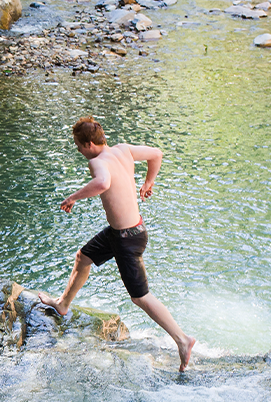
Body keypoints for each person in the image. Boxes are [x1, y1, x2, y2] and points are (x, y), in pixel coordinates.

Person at [38, 115, 196, 371]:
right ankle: (63, 304)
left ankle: (182, 339)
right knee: (83, 257)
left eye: (78, 146)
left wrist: (73, 197)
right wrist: (148, 181)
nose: (78, 151)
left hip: (127, 240)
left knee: (140, 297)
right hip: (123, 232)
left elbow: (103, 183)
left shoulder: (98, 162)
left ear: (89, 144)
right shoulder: (122, 150)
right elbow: (156, 154)